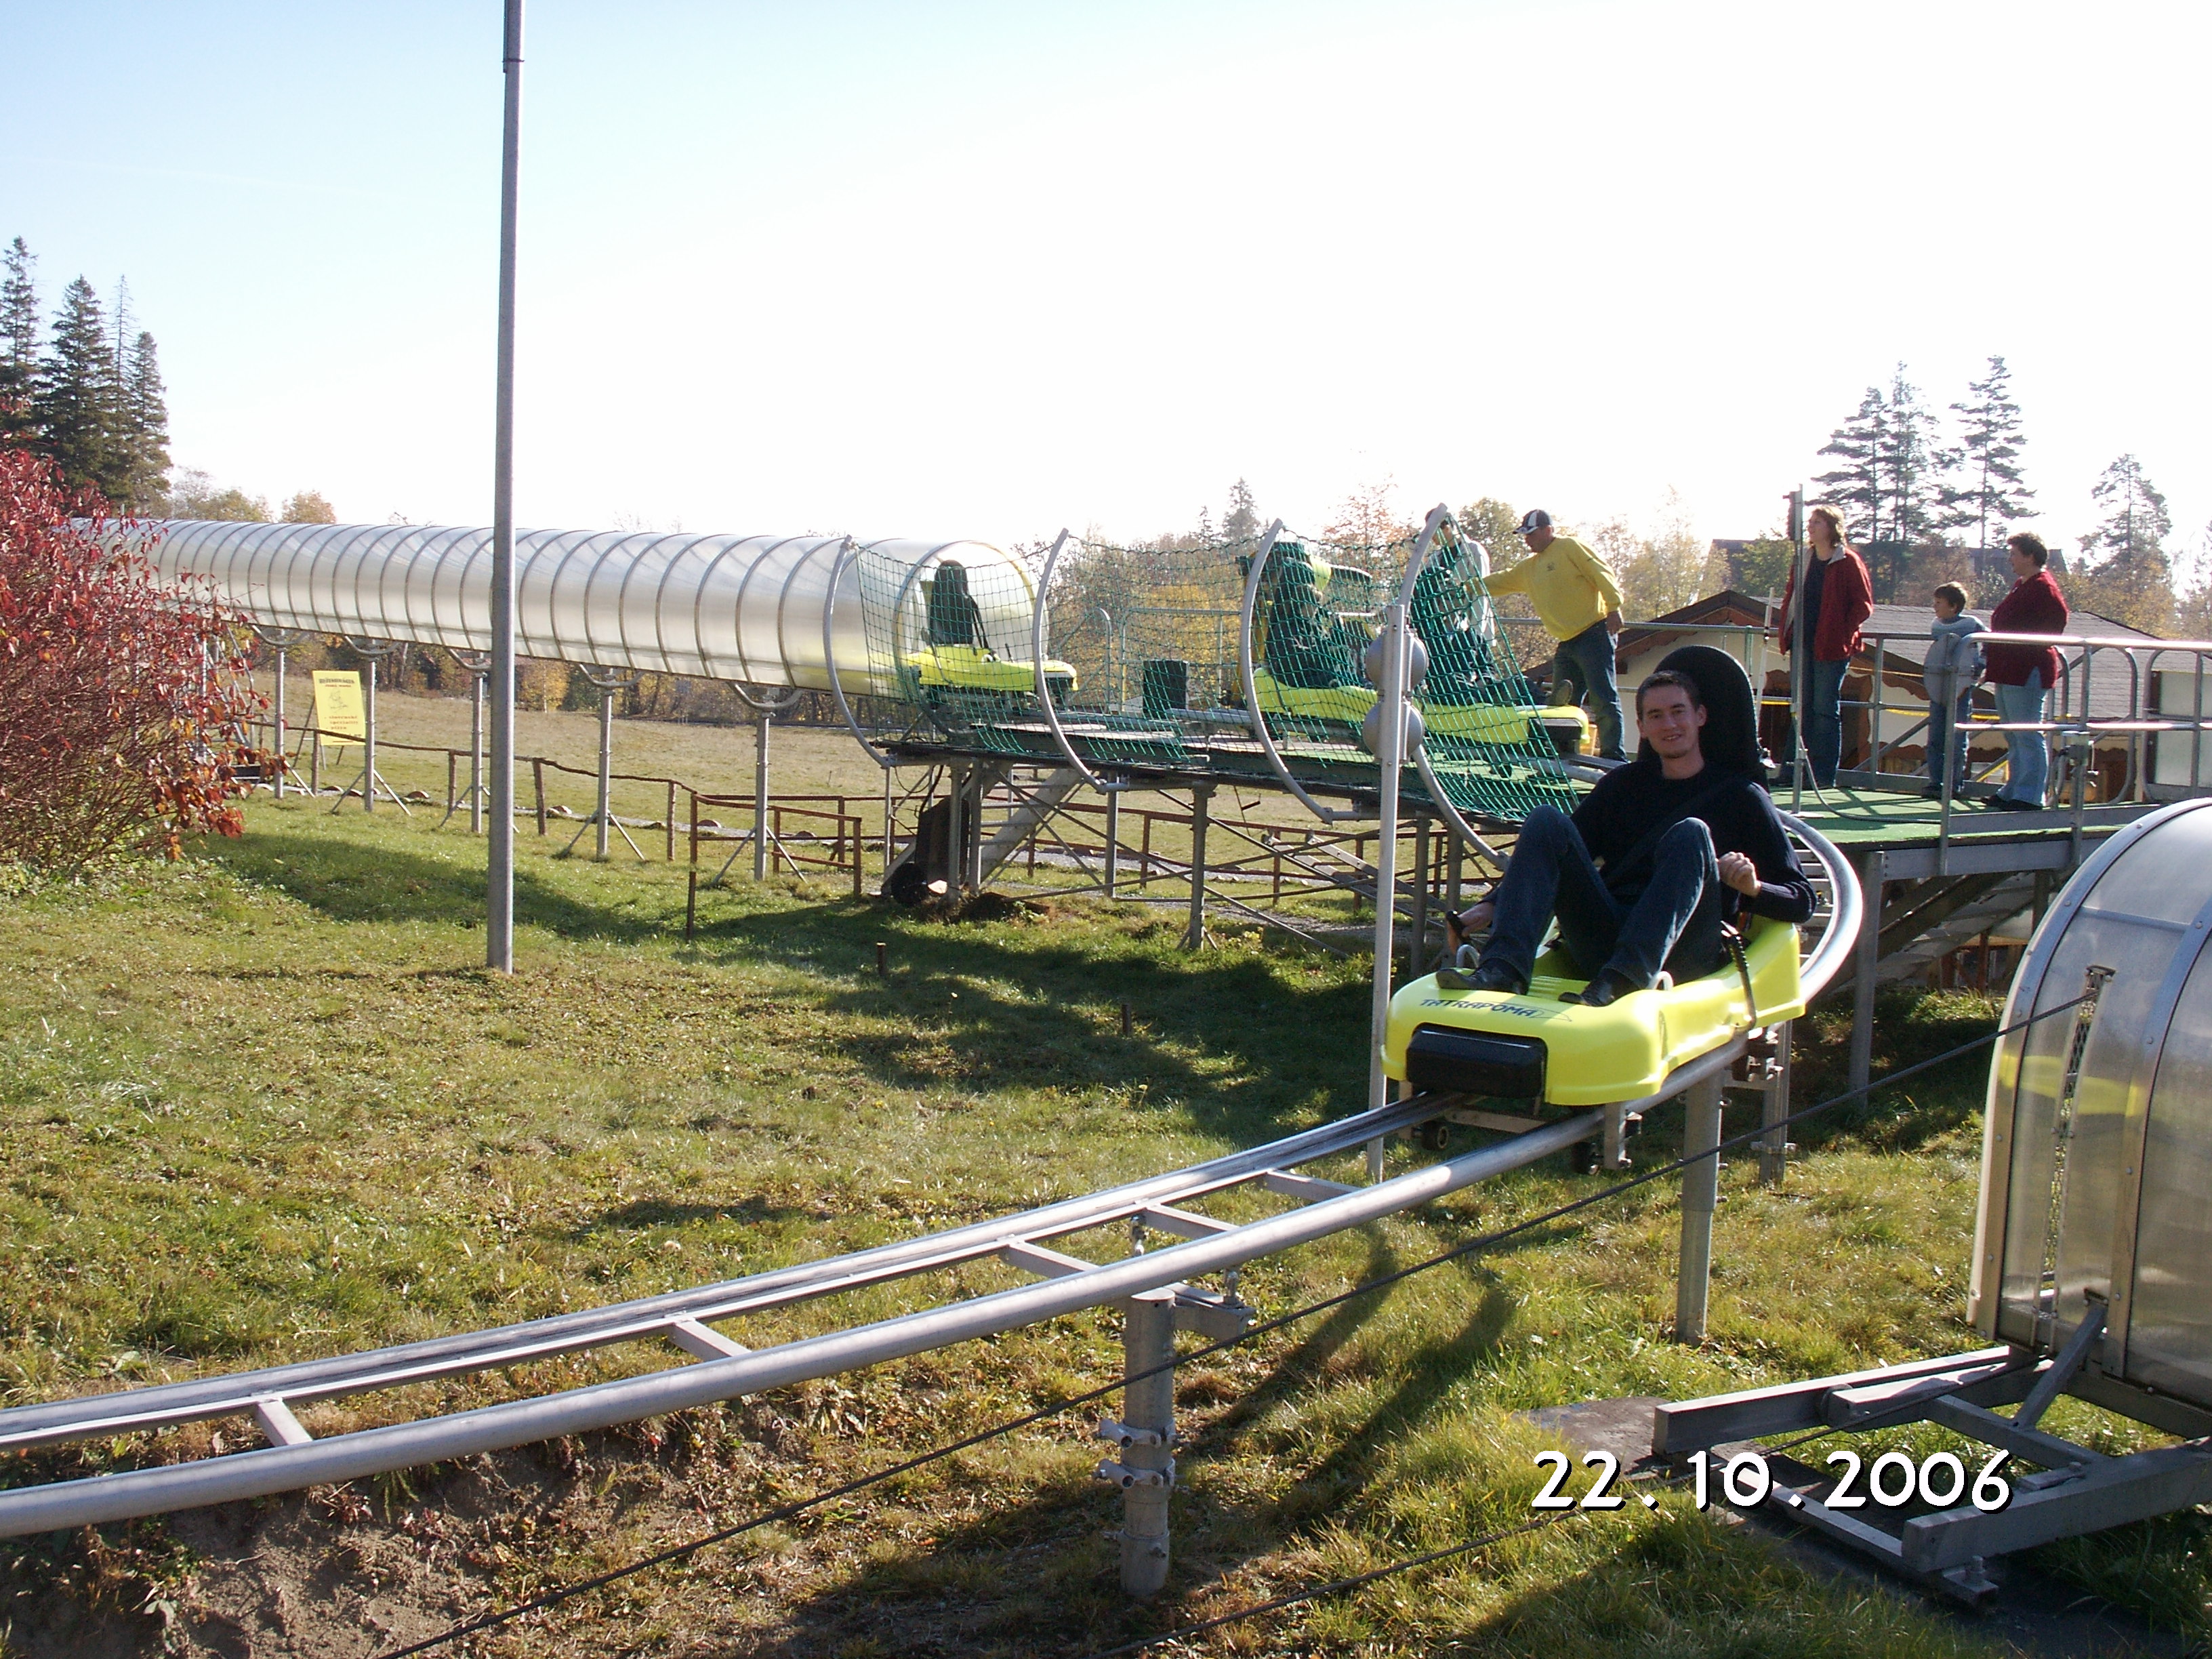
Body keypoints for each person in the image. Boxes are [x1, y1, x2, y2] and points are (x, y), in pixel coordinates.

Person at [1441, 660, 1815, 1007]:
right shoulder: (1621, 786)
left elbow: (1802, 900)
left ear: (1700, 716)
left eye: (1678, 712)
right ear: (1643, 727)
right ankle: (1503, 970)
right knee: (1545, 820)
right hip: (1608, 939)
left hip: (1683, 950)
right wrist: (1491, 905)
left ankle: (1626, 981)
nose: (1669, 725)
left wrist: (1753, 888)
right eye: (1656, 716)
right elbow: (1554, 851)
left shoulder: (1743, 797)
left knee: (1691, 833)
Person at [1483, 509, 1626, 759]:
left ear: (1548, 530)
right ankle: (1559, 760)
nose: (1527, 540)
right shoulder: (1529, 568)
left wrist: (1614, 606)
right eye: (1524, 535)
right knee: (1560, 707)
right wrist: (1465, 587)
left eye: (1531, 534)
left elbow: (1601, 572)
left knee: (1603, 697)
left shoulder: (1570, 547)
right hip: (1567, 643)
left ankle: (1614, 757)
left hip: (1594, 634)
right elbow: (1500, 581)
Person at [1774, 504, 1874, 789]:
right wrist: (1787, 630)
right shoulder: (1804, 559)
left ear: (1832, 527)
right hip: (1802, 642)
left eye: (1817, 522)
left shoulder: (1848, 561)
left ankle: (1822, 775)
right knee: (1800, 707)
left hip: (1832, 648)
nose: (1810, 526)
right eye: (1811, 521)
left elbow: (1863, 605)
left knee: (1824, 709)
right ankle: (1791, 770)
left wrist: (1841, 632)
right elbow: (1791, 596)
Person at [1983, 531, 2068, 811]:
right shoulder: (2022, 585)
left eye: (2014, 554)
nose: (2010, 560)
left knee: (2027, 733)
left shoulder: (2043, 588)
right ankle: (2013, 789)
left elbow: (2055, 623)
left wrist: (2026, 647)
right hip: (2008, 669)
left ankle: (2030, 795)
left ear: (2030, 557)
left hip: (2026, 669)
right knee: (2013, 733)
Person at [1923, 581, 1986, 799]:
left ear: (1953, 606)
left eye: (1939, 603)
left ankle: (1954, 782)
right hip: (1939, 686)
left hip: (1962, 687)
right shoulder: (1936, 625)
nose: (1935, 607)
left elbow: (1989, 642)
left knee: (1957, 736)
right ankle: (1936, 781)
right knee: (1935, 735)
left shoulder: (1971, 624)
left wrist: (1979, 666)